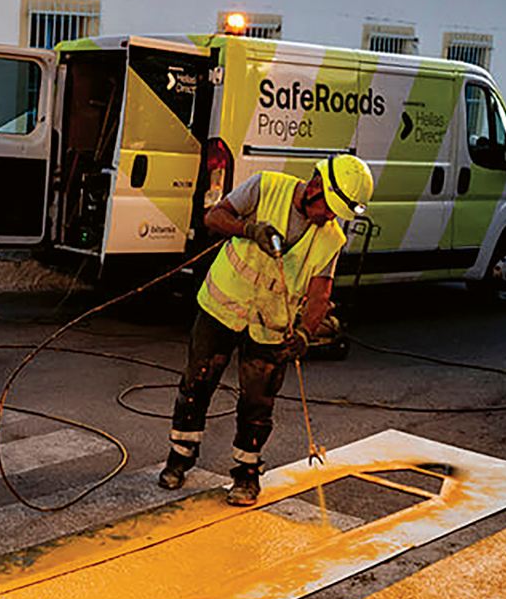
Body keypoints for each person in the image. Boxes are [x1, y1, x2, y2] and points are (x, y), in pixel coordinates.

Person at [158, 154, 375, 505]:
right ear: (315, 186)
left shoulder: (331, 238)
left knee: (257, 403)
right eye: (328, 208)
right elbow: (213, 217)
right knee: (197, 383)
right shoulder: (265, 186)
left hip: (270, 326)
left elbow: (320, 294)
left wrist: (305, 332)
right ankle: (179, 458)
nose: (329, 217)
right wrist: (249, 229)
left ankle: (246, 474)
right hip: (221, 308)